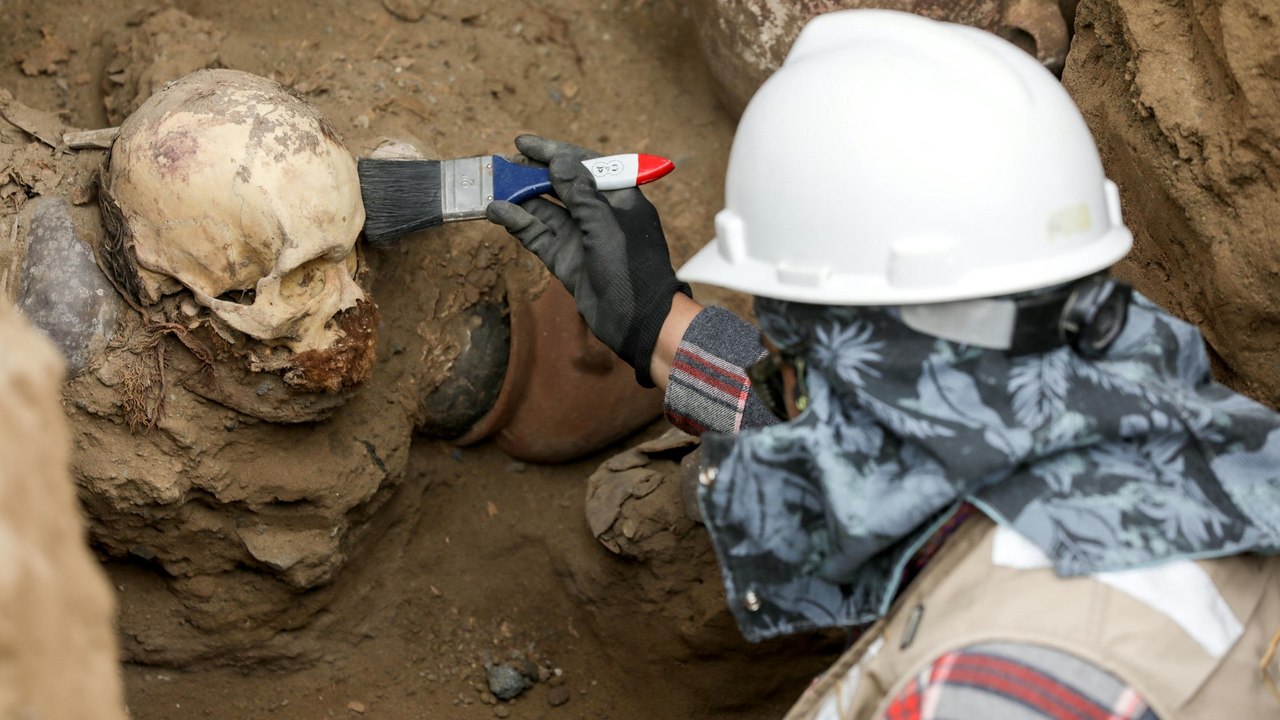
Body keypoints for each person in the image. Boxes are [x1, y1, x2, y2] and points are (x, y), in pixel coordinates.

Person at [487, 9, 1280, 719]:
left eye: (786, 353)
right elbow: (898, 427)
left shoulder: (998, 689)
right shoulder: (1193, 436)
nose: (784, 378)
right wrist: (659, 323)